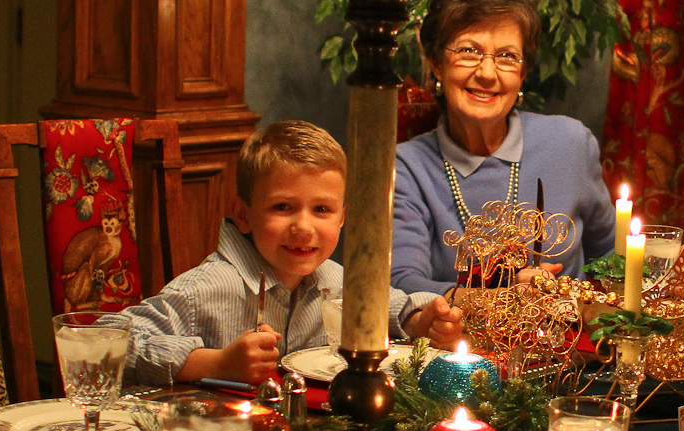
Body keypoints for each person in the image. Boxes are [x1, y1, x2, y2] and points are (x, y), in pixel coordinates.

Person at [120, 120, 462, 387]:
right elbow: (112, 341)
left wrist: (420, 322)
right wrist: (215, 363)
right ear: (243, 214)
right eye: (282, 207)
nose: (303, 227)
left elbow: (392, 308)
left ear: (342, 217)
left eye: (322, 209)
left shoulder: (336, 280)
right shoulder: (204, 290)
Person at [393, 0, 615, 295]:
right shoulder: (407, 168)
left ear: (523, 73)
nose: (487, 73)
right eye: (468, 51)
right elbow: (401, 284)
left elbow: (612, 258)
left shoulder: (571, 145)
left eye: (507, 56)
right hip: (456, 330)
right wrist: (502, 299)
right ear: (436, 63)